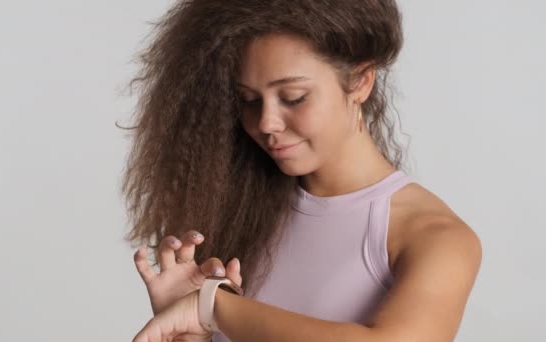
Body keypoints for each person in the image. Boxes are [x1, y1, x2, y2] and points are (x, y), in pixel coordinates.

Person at [120, 0, 483, 341]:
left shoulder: (434, 237)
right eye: (248, 100)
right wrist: (198, 334)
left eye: (293, 97)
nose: (267, 122)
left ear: (360, 81)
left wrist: (210, 306)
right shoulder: (243, 213)